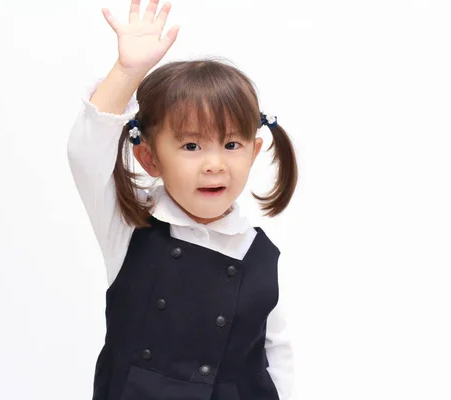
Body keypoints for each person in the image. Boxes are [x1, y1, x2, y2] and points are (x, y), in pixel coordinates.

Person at [66, 0, 298, 399]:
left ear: (254, 150)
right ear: (150, 157)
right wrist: (126, 73)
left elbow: (277, 353)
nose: (214, 164)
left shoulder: (260, 252)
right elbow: (86, 155)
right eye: (191, 145)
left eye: (230, 144)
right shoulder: (127, 225)